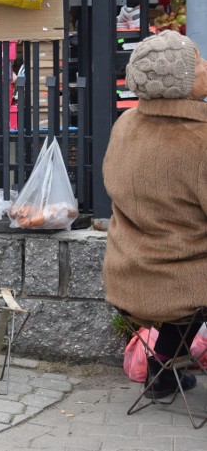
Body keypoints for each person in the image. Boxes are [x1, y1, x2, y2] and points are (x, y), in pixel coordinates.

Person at [103, 30, 207, 399]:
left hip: (128, 273)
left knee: (185, 281)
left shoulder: (124, 126)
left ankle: (161, 375)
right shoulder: (198, 140)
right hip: (180, 281)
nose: (206, 68)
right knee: (191, 286)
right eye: (197, 64)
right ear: (178, 82)